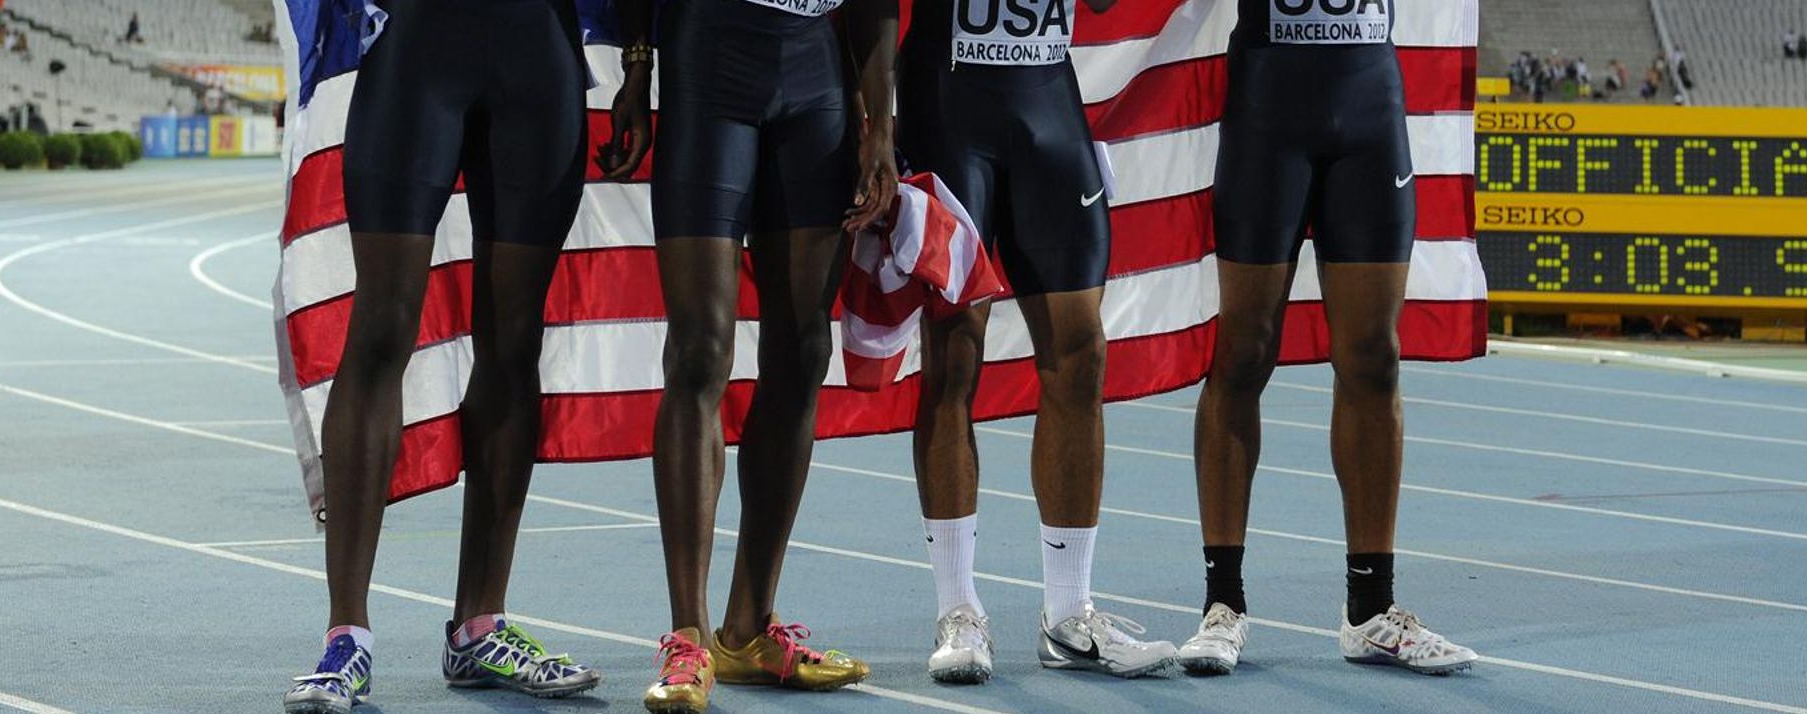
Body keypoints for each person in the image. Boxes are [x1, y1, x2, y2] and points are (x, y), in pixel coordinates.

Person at [280, 0, 601, 712]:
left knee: (515, 343)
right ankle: (346, 636)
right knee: (383, 329)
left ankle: (480, 624)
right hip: (419, 49)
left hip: (537, 52)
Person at [602, 0, 899, 711]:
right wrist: (638, 69)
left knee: (802, 351)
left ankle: (748, 628)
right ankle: (688, 635)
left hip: (815, 72)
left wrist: (880, 124)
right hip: (709, 62)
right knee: (700, 352)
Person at [1175, 0, 1478, 677]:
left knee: (1375, 358)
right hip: (1269, 104)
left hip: (1368, 97)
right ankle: (1222, 604)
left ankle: (1370, 609)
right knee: (1244, 352)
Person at [895, 0, 1181, 685]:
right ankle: (958, 608)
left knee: (1080, 353)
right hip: (949, 98)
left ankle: (1069, 612)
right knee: (954, 351)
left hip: (1046, 89)